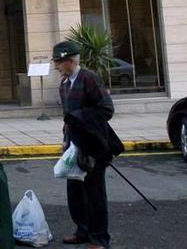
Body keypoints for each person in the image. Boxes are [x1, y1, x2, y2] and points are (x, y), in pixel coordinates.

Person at [53, 41, 115, 249]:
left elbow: (106, 110)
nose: (56, 67)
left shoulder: (89, 79)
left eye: (59, 63)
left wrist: (79, 118)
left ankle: (99, 238)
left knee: (95, 193)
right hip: (73, 145)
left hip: (92, 145)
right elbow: (66, 118)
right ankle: (82, 230)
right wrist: (65, 140)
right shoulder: (64, 84)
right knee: (75, 192)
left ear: (70, 61)